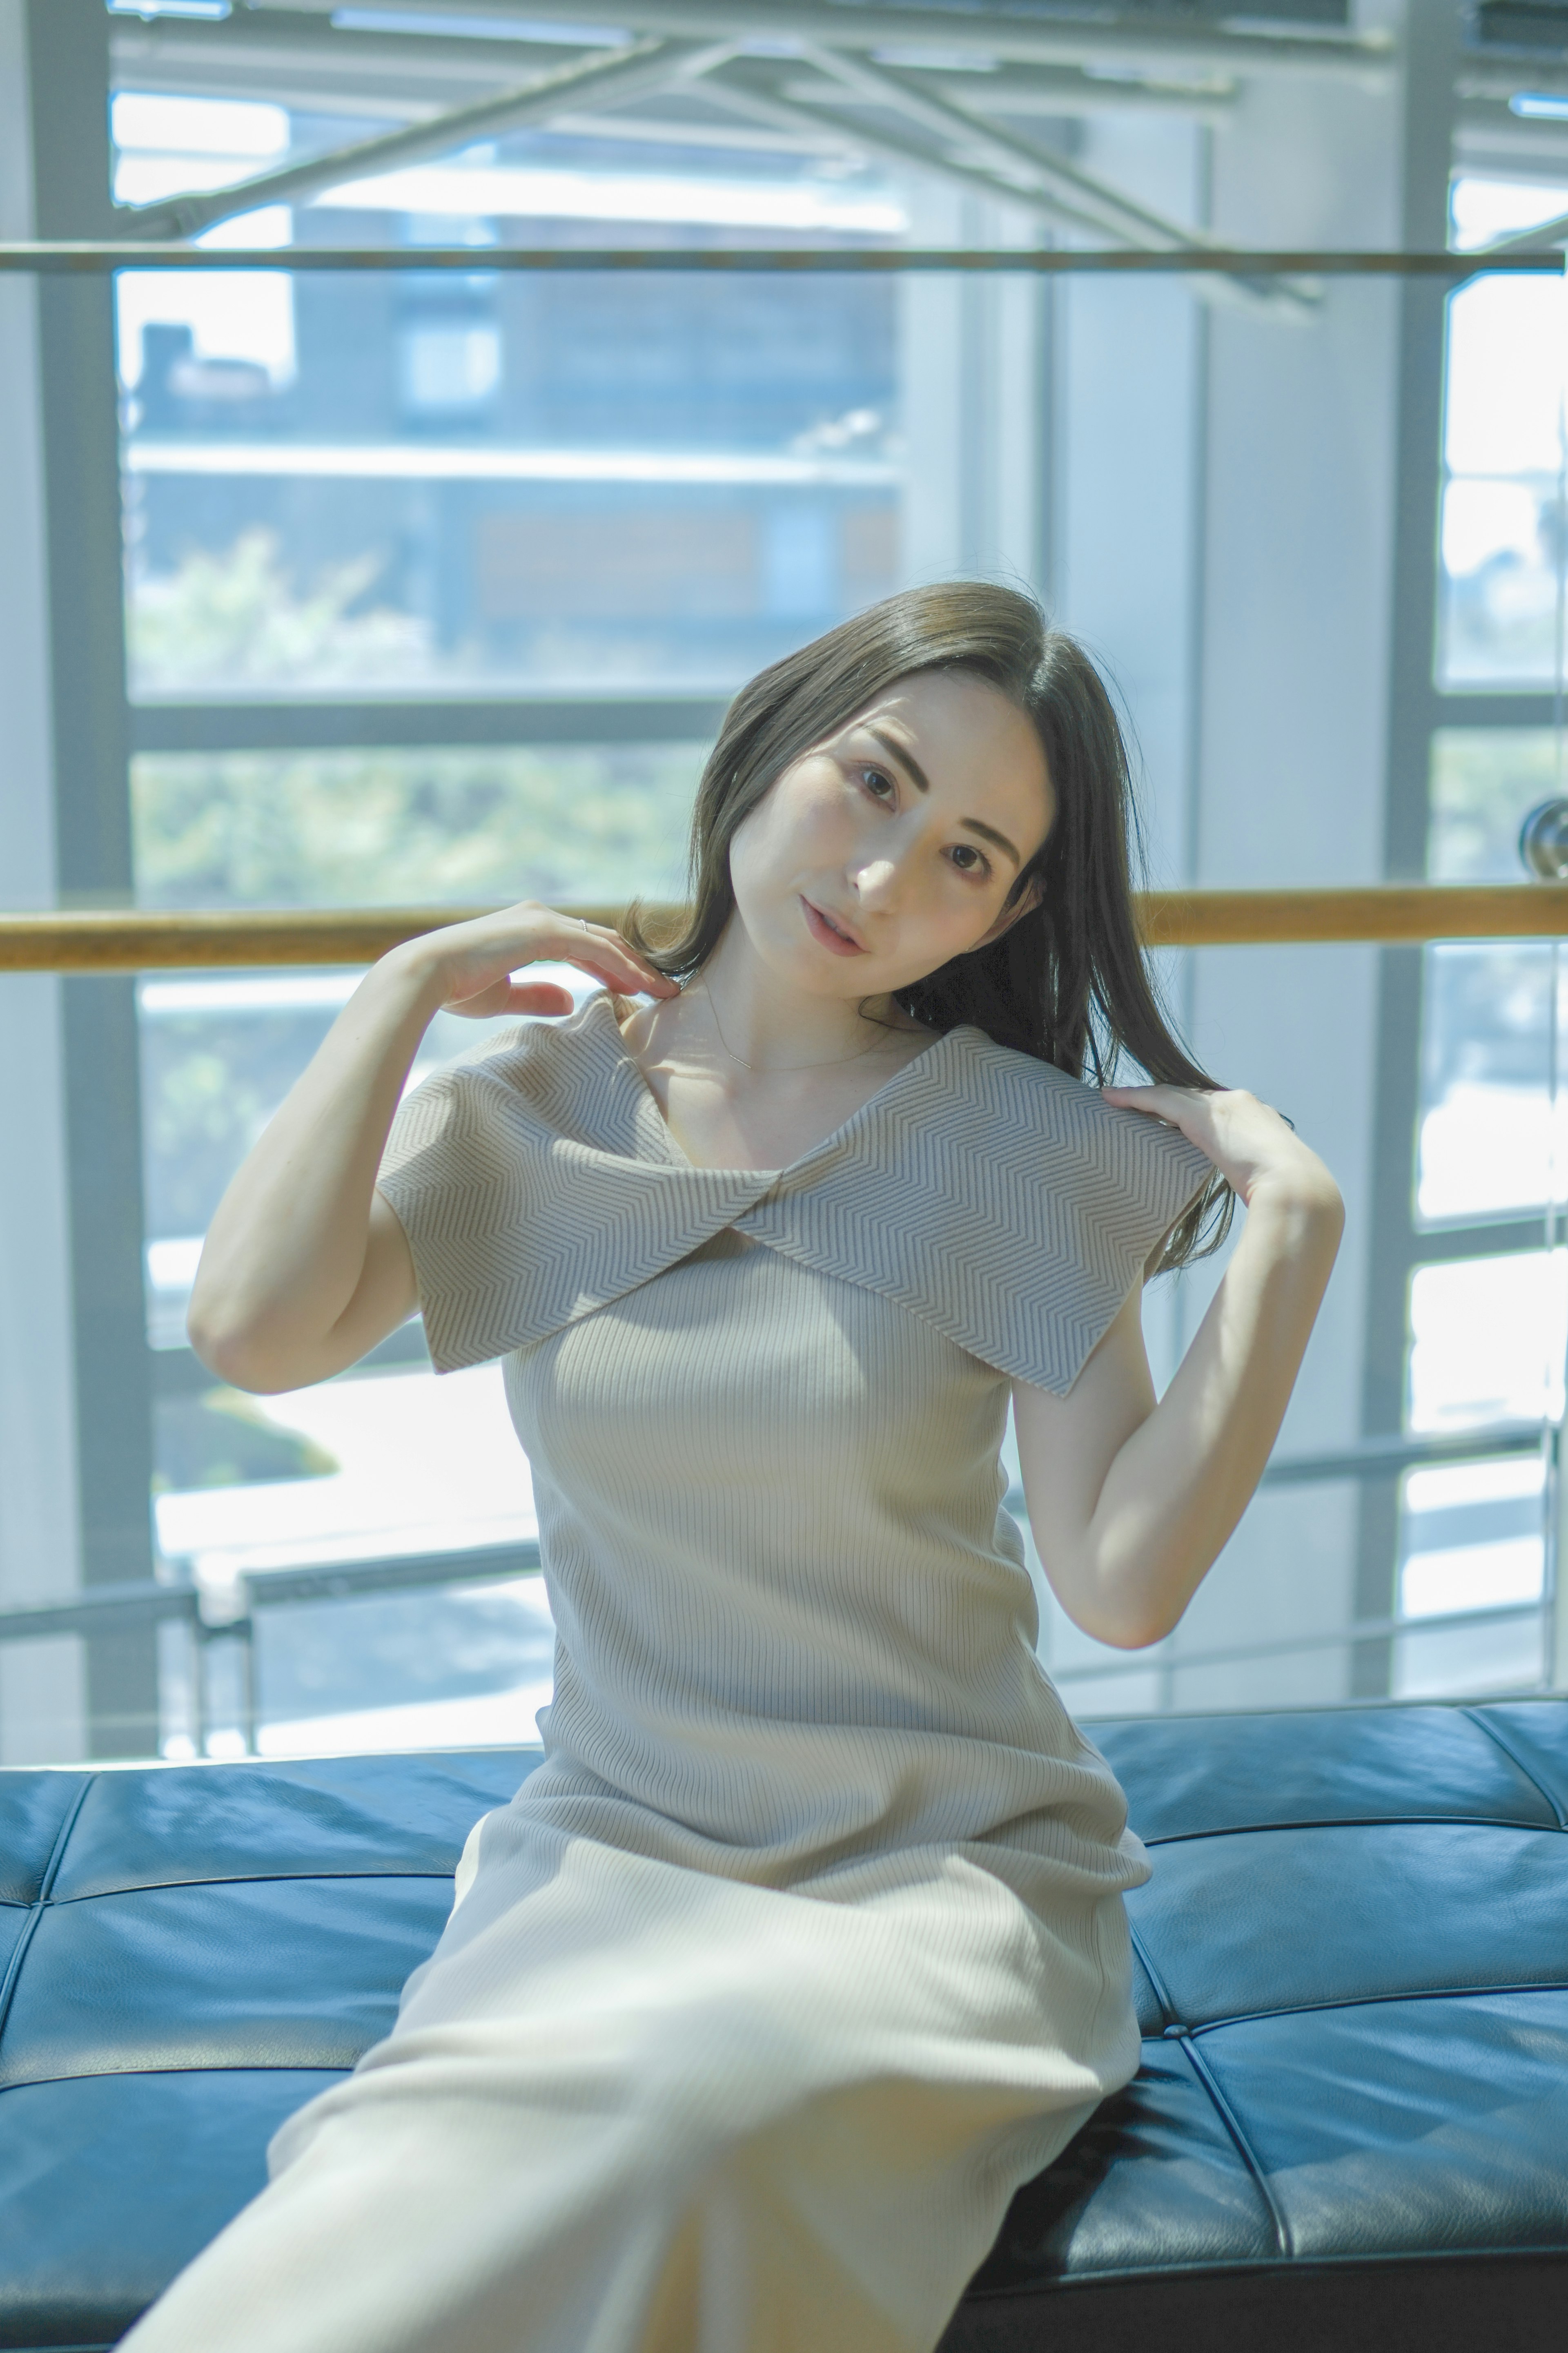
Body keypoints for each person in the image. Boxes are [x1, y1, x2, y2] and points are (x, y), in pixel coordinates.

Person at [122, 582, 1342, 2353]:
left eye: (971, 859)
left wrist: (1291, 1230)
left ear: (1007, 910)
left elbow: (1122, 1583)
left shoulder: (1022, 1145)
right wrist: (398, 994)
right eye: (875, 783)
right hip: (616, 1845)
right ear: (776, 743)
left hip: (944, 1878)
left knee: (695, 2108)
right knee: (403, 2181)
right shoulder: (542, 1107)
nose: (886, 876)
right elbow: (254, 1329)